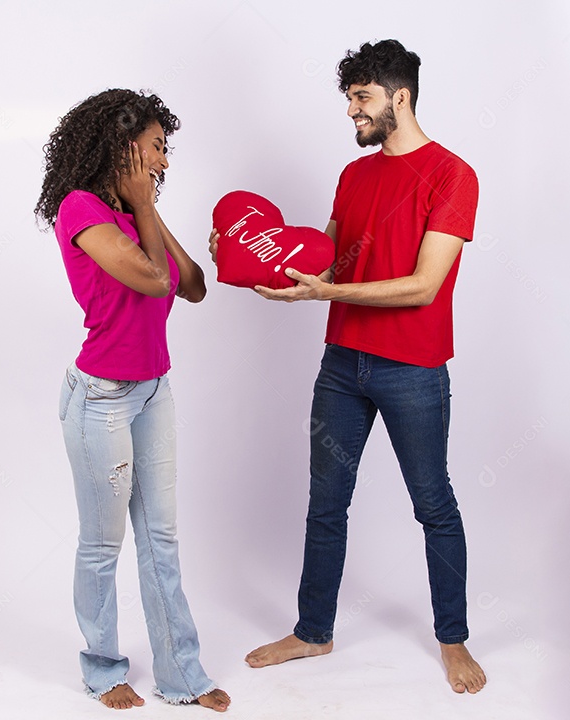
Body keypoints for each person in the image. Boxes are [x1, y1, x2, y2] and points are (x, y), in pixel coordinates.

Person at [210, 40, 487, 694]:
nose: (351, 113)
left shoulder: (453, 174)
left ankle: (453, 638)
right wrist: (252, 257)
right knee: (326, 502)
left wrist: (323, 292)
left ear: (400, 97)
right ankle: (314, 630)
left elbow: (422, 286)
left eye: (361, 99)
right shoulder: (354, 175)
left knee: (433, 505)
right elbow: (324, 262)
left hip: (413, 371)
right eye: (348, 100)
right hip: (343, 366)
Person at [35, 88, 230, 712]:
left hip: (153, 391)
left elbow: (192, 285)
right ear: (123, 147)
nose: (164, 163)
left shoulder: (134, 208)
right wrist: (143, 205)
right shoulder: (80, 209)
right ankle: (101, 668)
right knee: (102, 544)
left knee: (162, 538)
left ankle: (182, 675)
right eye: (156, 148)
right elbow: (151, 277)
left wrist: (147, 207)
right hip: (100, 399)